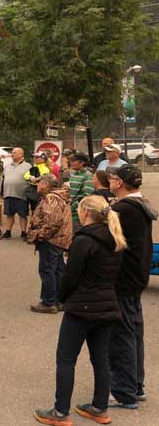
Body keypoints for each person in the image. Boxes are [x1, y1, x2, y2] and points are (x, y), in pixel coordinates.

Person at [34, 195, 126, 426]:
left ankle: (60, 412)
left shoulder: (84, 240)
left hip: (82, 307)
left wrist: (62, 298)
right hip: (106, 304)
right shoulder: (115, 238)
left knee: (66, 359)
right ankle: (99, 407)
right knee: (100, 358)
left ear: (85, 212)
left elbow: (70, 275)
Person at [108, 164, 157, 408]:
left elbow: (109, 241)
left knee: (121, 335)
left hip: (124, 279)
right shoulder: (140, 205)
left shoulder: (123, 208)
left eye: (113, 178)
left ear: (120, 183)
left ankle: (125, 391)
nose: (110, 181)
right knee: (133, 331)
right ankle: (135, 385)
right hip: (136, 276)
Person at [26, 174, 72, 314]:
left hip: (52, 240)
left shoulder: (51, 198)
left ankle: (49, 302)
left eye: (39, 183)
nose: (38, 185)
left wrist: (40, 235)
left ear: (45, 184)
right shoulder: (59, 197)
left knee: (47, 270)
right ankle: (58, 300)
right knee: (57, 270)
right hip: (60, 239)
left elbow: (52, 221)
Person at [0, 147, 32, 240]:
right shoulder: (8, 166)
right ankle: (8, 231)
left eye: (14, 153)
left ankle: (23, 232)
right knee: (9, 214)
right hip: (8, 193)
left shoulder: (28, 166)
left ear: (21, 155)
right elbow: (3, 179)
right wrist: (2, 192)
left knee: (22, 215)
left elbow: (31, 179)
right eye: (12, 153)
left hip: (21, 194)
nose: (12, 154)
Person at [67, 153, 94, 232]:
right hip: (68, 214)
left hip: (77, 216)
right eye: (70, 161)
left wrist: (71, 208)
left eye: (73, 161)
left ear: (82, 163)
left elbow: (86, 196)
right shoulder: (72, 174)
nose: (71, 163)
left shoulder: (88, 176)